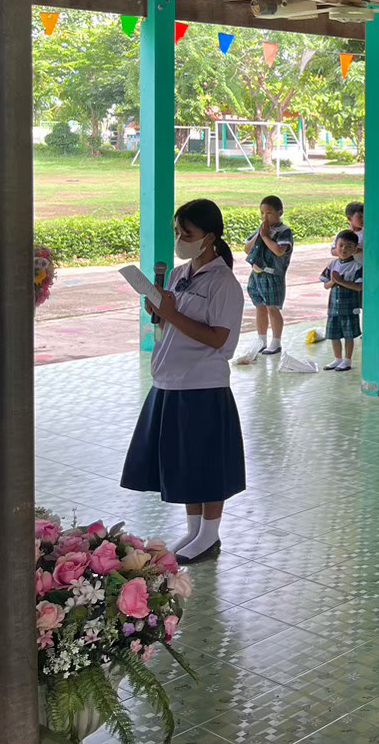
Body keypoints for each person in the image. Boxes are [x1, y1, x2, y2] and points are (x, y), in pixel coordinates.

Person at [121, 198, 245, 564]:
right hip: (169, 380)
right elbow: (170, 322)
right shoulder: (178, 275)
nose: (179, 240)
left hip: (203, 384)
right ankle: (193, 530)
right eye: (177, 232)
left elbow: (218, 338)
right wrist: (159, 313)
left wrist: (171, 313)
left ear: (209, 238)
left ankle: (209, 534)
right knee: (188, 462)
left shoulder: (223, 283)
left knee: (207, 462)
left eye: (187, 234)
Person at [243, 194, 293, 356]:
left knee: (272, 308)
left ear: (280, 213)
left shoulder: (284, 231)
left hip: (272, 275)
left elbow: (279, 251)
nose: (265, 217)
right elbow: (247, 249)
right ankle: (261, 340)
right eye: (262, 213)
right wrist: (260, 234)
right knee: (260, 307)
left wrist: (265, 236)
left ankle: (276, 342)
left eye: (269, 213)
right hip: (256, 275)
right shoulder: (261, 229)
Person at [321, 230, 363, 372]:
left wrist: (340, 281)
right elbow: (326, 285)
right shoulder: (332, 264)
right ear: (336, 247)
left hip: (349, 306)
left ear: (355, 249)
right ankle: (337, 358)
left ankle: (347, 360)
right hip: (334, 306)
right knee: (334, 334)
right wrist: (333, 281)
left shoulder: (357, 266)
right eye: (341, 246)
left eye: (349, 246)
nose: (344, 249)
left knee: (348, 335)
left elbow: (359, 287)